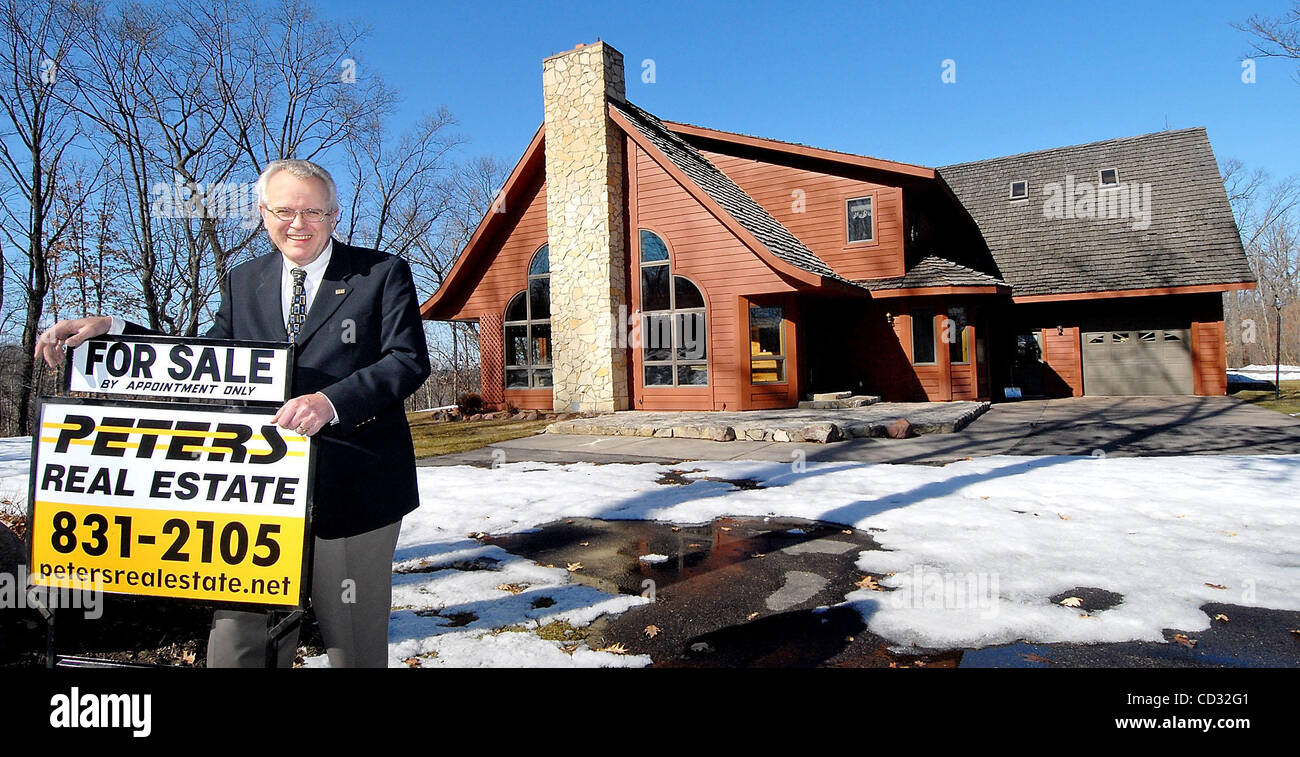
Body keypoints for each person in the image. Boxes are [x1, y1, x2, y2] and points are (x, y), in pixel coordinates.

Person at [34, 159, 431, 668]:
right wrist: (114, 329)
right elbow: (205, 363)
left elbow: (406, 359)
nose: (298, 223)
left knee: (351, 641)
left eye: (313, 211)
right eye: (284, 210)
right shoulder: (245, 280)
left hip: (355, 486)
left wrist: (330, 402)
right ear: (264, 214)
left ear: (334, 215)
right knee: (238, 641)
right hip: (254, 494)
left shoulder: (380, 273)